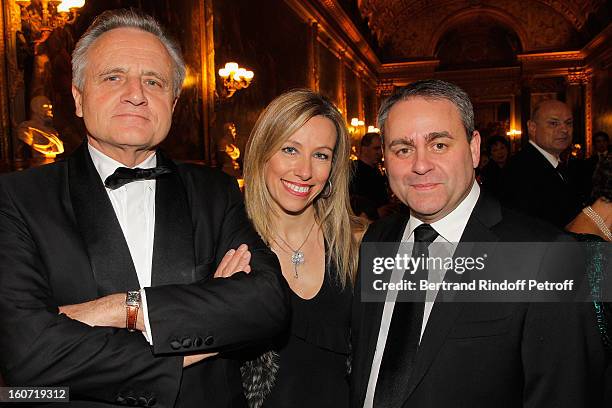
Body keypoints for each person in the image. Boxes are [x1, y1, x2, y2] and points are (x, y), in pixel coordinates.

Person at [0, 9, 289, 408]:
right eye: (113, 77)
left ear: (172, 102)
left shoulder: (215, 191)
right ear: (78, 97)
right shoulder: (16, 197)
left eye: (153, 81)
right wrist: (201, 323)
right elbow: (29, 354)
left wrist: (125, 308)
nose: (135, 94)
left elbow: (267, 304)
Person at [350, 79, 604, 408]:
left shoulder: (547, 255)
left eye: (439, 145)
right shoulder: (378, 238)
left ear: (473, 148)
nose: (420, 164)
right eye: (402, 149)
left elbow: (565, 393)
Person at [240, 89, 363, 407]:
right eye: (290, 149)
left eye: (321, 155)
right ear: (263, 153)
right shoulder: (229, 244)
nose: (305, 171)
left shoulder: (357, 244)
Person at [502, 99, 582, 228]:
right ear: (532, 128)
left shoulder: (564, 165)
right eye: (553, 123)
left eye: (569, 123)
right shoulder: (521, 169)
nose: (564, 130)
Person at [350, 132, 390, 219]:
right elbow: (354, 201)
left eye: (381, 149)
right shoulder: (354, 171)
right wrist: (374, 213)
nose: (380, 153)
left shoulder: (377, 171)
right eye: (376, 148)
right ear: (364, 149)